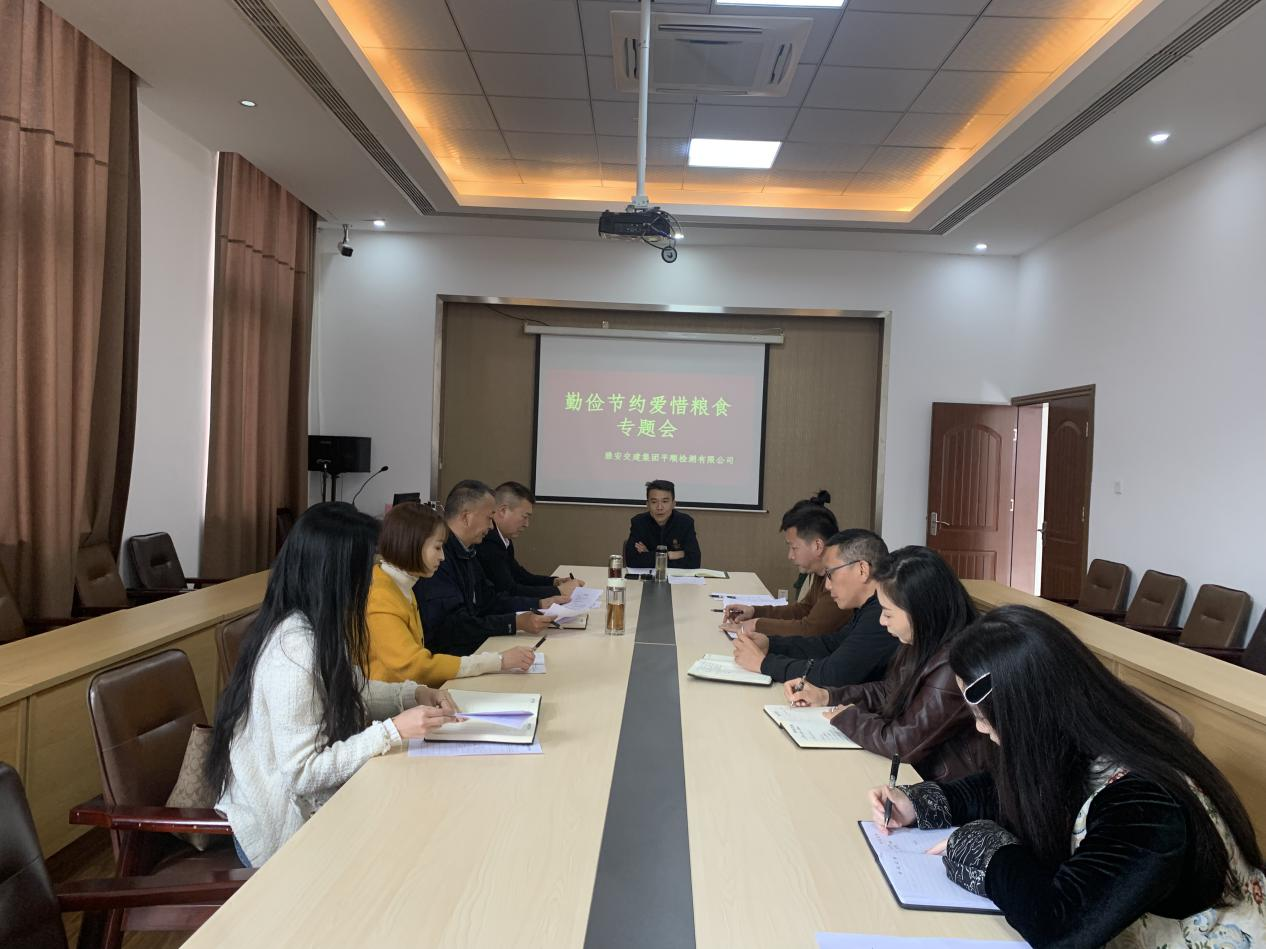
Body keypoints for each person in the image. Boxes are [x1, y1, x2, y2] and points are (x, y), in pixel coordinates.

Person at [869, 605, 1266, 948]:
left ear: (1027, 708)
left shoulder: (1147, 805)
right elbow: (1006, 788)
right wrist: (922, 803)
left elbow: (1061, 927)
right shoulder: (1077, 739)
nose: (979, 728)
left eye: (983, 717)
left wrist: (986, 852)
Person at [206, 503, 460, 868]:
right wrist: (391, 731)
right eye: (366, 568)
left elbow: (351, 689)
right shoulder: (294, 649)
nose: (372, 579)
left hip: (320, 806)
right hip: (283, 828)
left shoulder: (316, 625)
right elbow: (303, 773)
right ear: (337, 573)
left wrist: (411, 694)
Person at [783, 546, 990, 782]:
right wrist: (827, 696)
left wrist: (848, 717)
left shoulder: (955, 664)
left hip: (940, 784)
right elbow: (890, 690)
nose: (882, 621)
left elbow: (902, 744)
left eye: (888, 613)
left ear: (920, 611)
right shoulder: (925, 639)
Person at [369, 501, 535, 685]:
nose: (442, 557)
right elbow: (414, 666)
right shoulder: (381, 596)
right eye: (437, 547)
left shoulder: (402, 583)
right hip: (388, 697)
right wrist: (497, 661)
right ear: (412, 544)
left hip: (407, 690)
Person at [733, 528, 898, 687]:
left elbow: (833, 674)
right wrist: (772, 644)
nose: (827, 585)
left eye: (830, 574)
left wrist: (764, 664)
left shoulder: (882, 616)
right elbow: (829, 645)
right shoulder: (868, 608)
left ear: (862, 570)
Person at [415, 480, 557, 656]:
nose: (491, 526)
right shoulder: (439, 559)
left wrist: (536, 605)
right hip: (450, 657)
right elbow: (455, 627)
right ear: (466, 517)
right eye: (489, 518)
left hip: (472, 647)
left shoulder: (467, 551)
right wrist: (514, 623)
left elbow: (489, 601)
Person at [721, 491, 848, 638]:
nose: (790, 556)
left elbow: (810, 629)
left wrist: (757, 624)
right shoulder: (822, 571)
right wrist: (754, 611)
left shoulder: (842, 578)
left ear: (817, 546)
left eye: (794, 547)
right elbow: (804, 610)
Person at [476, 481, 583, 600]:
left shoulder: (503, 538)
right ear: (503, 511)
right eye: (525, 517)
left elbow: (519, 576)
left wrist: (554, 582)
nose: (526, 524)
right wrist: (558, 591)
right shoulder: (488, 541)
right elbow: (509, 590)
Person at [623, 479, 701, 569]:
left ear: (673, 504)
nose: (659, 507)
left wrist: (649, 555)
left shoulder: (685, 523)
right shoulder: (639, 522)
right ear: (647, 504)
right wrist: (670, 555)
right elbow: (632, 561)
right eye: (654, 502)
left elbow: (694, 562)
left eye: (665, 501)